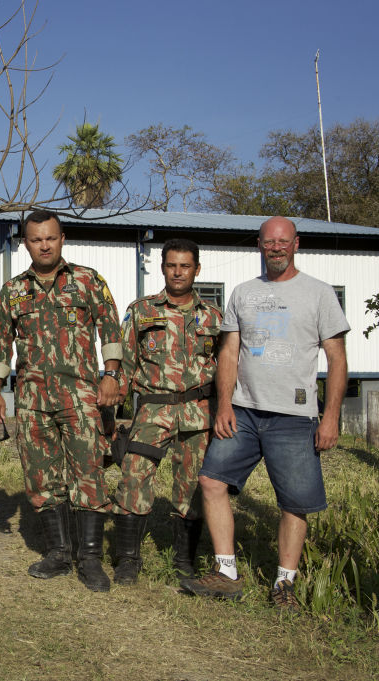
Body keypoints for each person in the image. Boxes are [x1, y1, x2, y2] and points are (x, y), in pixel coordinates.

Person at [182, 215, 348, 611]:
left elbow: (338, 361)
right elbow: (229, 353)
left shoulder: (320, 294)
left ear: (296, 244)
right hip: (243, 412)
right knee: (210, 481)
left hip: (293, 417)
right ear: (259, 244)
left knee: (293, 502)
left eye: (283, 241)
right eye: (269, 241)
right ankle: (226, 574)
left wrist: (331, 417)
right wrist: (224, 404)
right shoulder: (243, 293)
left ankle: (284, 585)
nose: (275, 248)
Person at [0, 210, 121, 593]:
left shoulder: (88, 281)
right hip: (31, 398)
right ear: (25, 243)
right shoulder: (12, 291)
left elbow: (109, 327)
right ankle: (59, 553)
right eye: (36, 239)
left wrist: (111, 374)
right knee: (41, 476)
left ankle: (90, 558)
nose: (44, 245)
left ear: (62, 239)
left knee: (88, 473)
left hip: (81, 396)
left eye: (50, 238)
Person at [112, 238, 222, 584]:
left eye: (185, 266)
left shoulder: (215, 317)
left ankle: (185, 560)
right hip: (152, 413)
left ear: (197, 270)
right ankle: (128, 559)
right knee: (133, 478)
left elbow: (227, 367)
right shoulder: (141, 310)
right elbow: (124, 364)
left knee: (192, 486)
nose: (178, 272)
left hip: (198, 414)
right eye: (171, 265)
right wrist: (112, 414)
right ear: (162, 268)